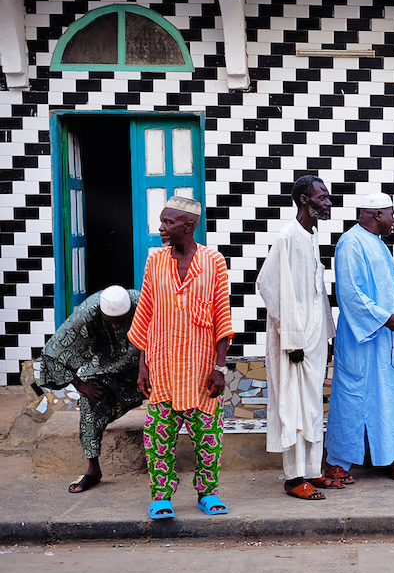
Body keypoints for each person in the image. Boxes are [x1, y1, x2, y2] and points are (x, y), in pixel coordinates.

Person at [128, 196, 234, 520]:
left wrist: (219, 368)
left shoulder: (214, 261)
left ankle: (208, 493)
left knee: (208, 436)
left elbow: (222, 318)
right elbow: (145, 315)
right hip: (162, 367)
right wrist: (143, 366)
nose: (161, 228)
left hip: (202, 371)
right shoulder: (155, 262)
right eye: (161, 221)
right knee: (158, 434)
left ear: (188, 227)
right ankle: (161, 496)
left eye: (167, 222)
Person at [257, 175, 339, 501]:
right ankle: (293, 479)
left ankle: (312, 471)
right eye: (322, 197)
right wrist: (291, 340)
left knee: (312, 408)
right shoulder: (287, 237)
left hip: (314, 339)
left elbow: (317, 293)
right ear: (305, 199)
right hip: (294, 342)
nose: (328, 202)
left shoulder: (312, 234)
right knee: (293, 406)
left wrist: (326, 335)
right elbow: (270, 286)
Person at [323, 192, 394, 482]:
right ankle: (338, 461)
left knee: (387, 397)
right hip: (362, 339)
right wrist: (384, 319)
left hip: (385, 337)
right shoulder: (351, 242)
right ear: (376, 215)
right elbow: (350, 293)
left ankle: (388, 457)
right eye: (391, 214)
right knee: (353, 398)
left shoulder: (378, 244)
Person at [39, 285, 142, 493]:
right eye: (109, 321)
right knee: (90, 402)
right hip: (106, 364)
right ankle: (93, 469)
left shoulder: (144, 303)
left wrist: (146, 367)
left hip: (145, 362)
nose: (115, 326)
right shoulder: (87, 312)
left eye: (120, 321)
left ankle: (166, 468)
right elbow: (51, 352)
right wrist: (80, 384)